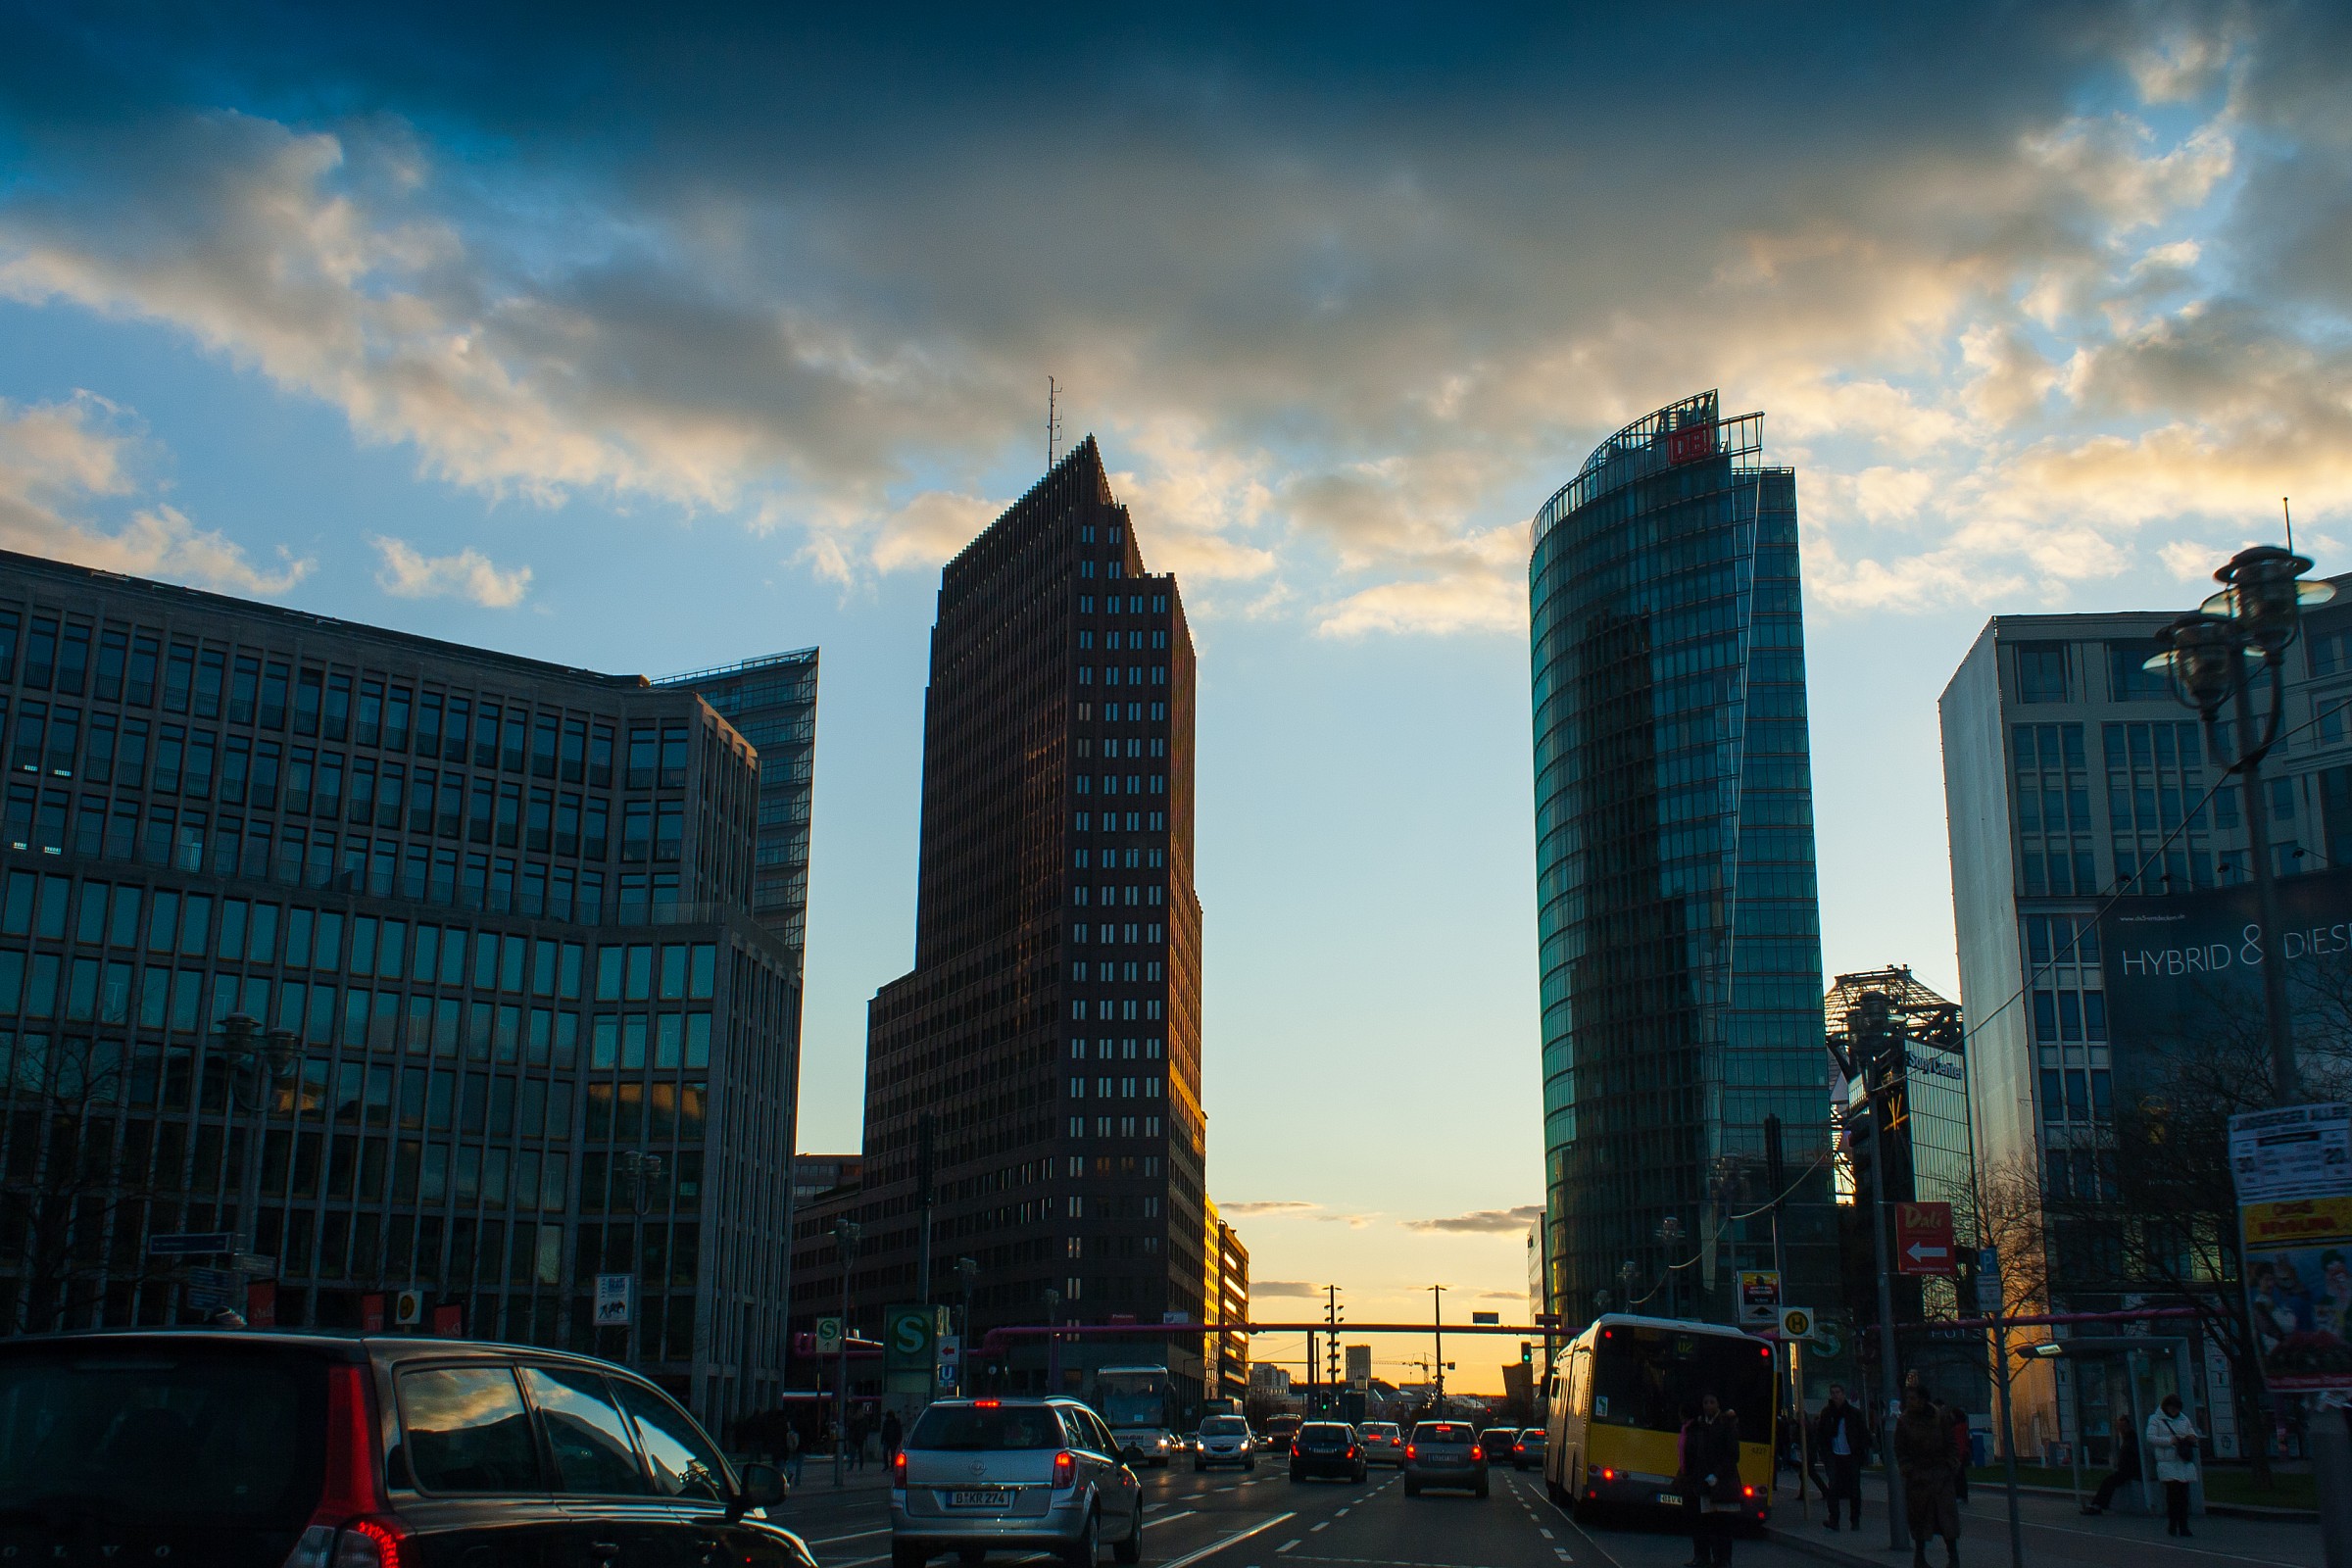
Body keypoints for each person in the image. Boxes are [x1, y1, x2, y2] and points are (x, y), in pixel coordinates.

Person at [1894, 1384, 1960, 1568]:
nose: (1910, 1402)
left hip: (1941, 1475)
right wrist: (1909, 1469)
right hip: (1919, 1477)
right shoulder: (1904, 1422)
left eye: (1913, 1398)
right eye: (1908, 1399)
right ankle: (1920, 1557)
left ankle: (1953, 1558)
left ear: (1923, 1400)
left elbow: (1951, 1443)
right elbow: (1900, 1449)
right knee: (1920, 1517)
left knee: (1947, 1518)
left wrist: (1951, 1464)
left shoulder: (1939, 1418)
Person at [1676, 1394, 1743, 1567]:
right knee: (1706, 1522)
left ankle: (1724, 1560)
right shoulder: (1701, 1425)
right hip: (1704, 1482)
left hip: (1723, 1483)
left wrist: (1717, 1475)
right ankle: (1706, 1558)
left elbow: (1733, 1455)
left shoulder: (1726, 1424)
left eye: (1712, 1402)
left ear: (1718, 1404)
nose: (1708, 1406)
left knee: (1723, 1524)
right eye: (1705, 1402)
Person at [1811, 1384, 1870, 1532]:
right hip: (1834, 1456)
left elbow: (1863, 1433)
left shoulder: (1853, 1413)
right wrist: (1824, 1452)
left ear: (1843, 1394)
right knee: (1833, 1489)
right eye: (1832, 1393)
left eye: (1837, 1392)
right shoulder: (1827, 1413)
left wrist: (1860, 1452)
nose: (1835, 1395)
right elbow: (1821, 1434)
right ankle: (1834, 1520)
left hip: (1851, 1456)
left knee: (1854, 1490)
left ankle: (1855, 1520)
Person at [2145, 1394, 2201, 1539]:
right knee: (2173, 1495)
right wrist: (2170, 1441)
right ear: (2166, 1407)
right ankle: (2173, 1524)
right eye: (2172, 1408)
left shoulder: (2183, 1418)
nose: (2175, 1411)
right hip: (2167, 1462)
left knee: (2183, 1496)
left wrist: (2191, 1438)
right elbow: (2151, 1438)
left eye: (2177, 1408)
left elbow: (2193, 1434)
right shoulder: (2156, 1419)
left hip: (2183, 1461)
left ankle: (2183, 1526)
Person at [2081, 1422, 2138, 1514]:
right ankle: (2097, 1505)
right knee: (2109, 1481)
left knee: (2108, 1482)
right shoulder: (2130, 1439)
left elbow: (2130, 1457)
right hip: (2128, 1469)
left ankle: (2097, 1506)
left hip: (2129, 1470)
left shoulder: (2131, 1440)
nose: (2119, 1431)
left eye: (2120, 1428)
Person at [1946, 1405, 1972, 1502]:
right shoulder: (1961, 1427)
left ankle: (1961, 1495)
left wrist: (1958, 1456)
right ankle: (1961, 1495)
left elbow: (1959, 1443)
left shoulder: (1958, 1428)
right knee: (1960, 1476)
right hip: (1960, 1454)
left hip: (1959, 1455)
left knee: (1959, 1476)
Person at [784, 1422, 805, 1486]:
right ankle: (797, 1480)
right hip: (801, 1446)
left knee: (791, 1461)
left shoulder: (792, 1427)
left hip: (792, 1446)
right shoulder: (803, 1425)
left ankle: (789, 1473)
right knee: (799, 1464)